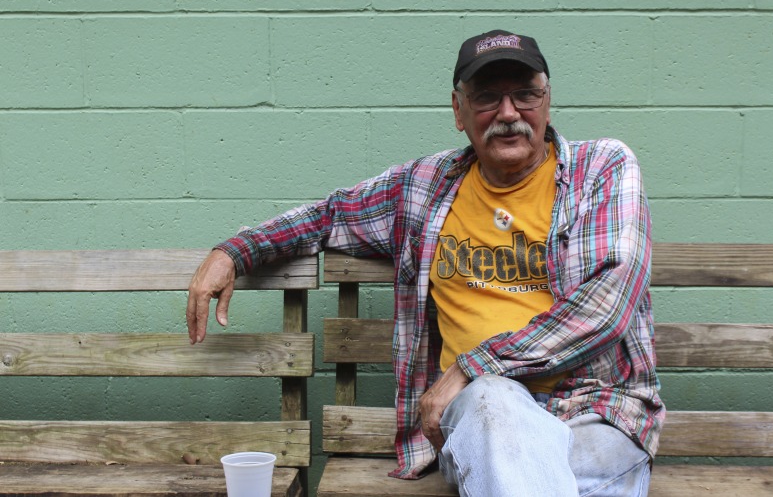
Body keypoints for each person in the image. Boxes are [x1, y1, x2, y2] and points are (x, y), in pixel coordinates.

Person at [186, 30, 665, 496]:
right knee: (493, 403)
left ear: (547, 100)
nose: (508, 113)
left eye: (525, 95)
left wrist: (470, 367)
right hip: (481, 415)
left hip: (595, 411)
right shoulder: (423, 188)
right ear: (458, 111)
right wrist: (235, 251)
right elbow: (328, 216)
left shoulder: (603, 167)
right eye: (486, 98)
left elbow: (608, 300)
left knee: (513, 458)